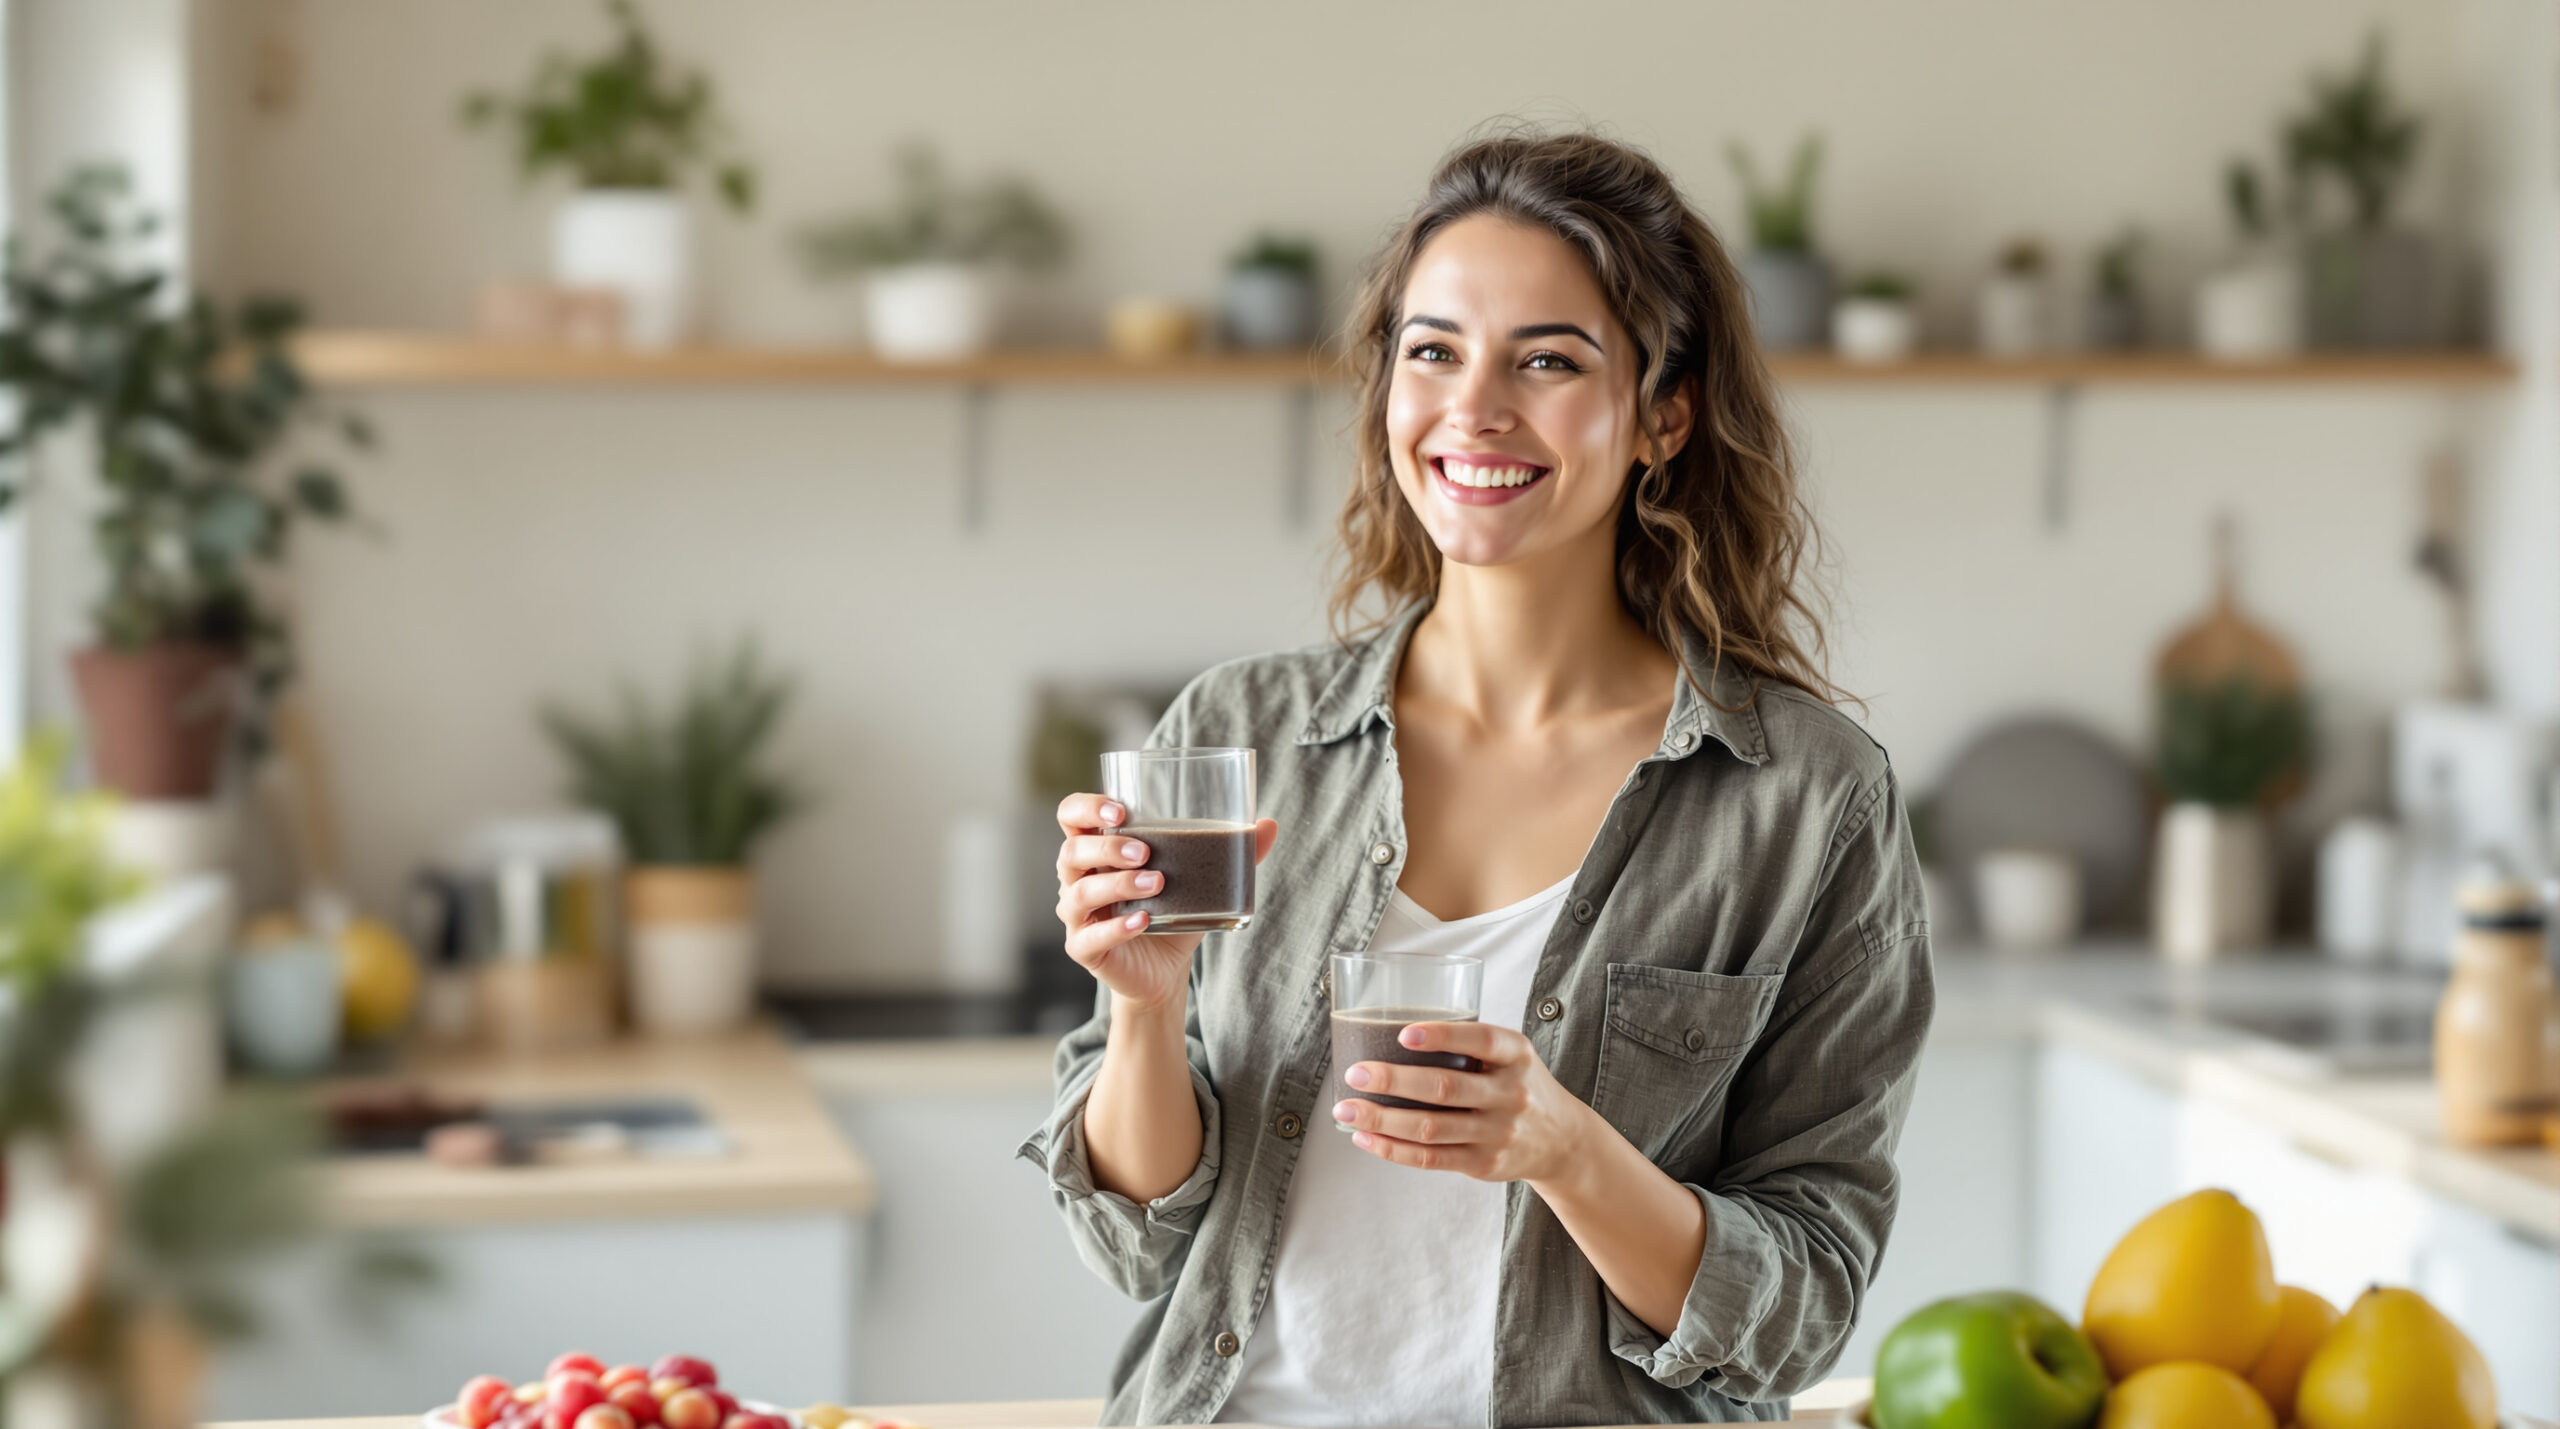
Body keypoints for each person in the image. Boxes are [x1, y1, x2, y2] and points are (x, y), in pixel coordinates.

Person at [1020, 130, 1933, 1428]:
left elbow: (1797, 1310)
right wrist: (1145, 1007)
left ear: (1663, 414)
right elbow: (1136, 1245)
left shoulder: (1804, 801)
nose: (1475, 409)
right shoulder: (1239, 730)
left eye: (1548, 361)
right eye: (1434, 351)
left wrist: (1560, 1147)